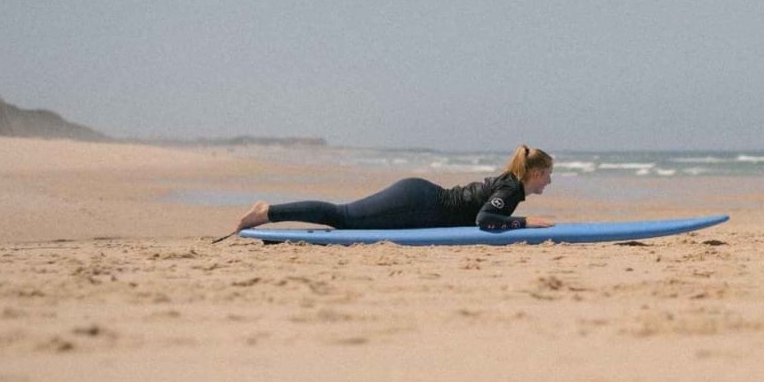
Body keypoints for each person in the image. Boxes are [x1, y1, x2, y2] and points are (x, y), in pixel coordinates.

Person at [228, 145, 556, 236]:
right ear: (537, 172)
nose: (549, 182)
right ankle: (266, 212)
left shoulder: (512, 185)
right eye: (548, 176)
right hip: (417, 203)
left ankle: (268, 211)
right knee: (342, 218)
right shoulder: (511, 188)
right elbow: (487, 219)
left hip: (420, 201)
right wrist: (523, 223)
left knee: (343, 217)